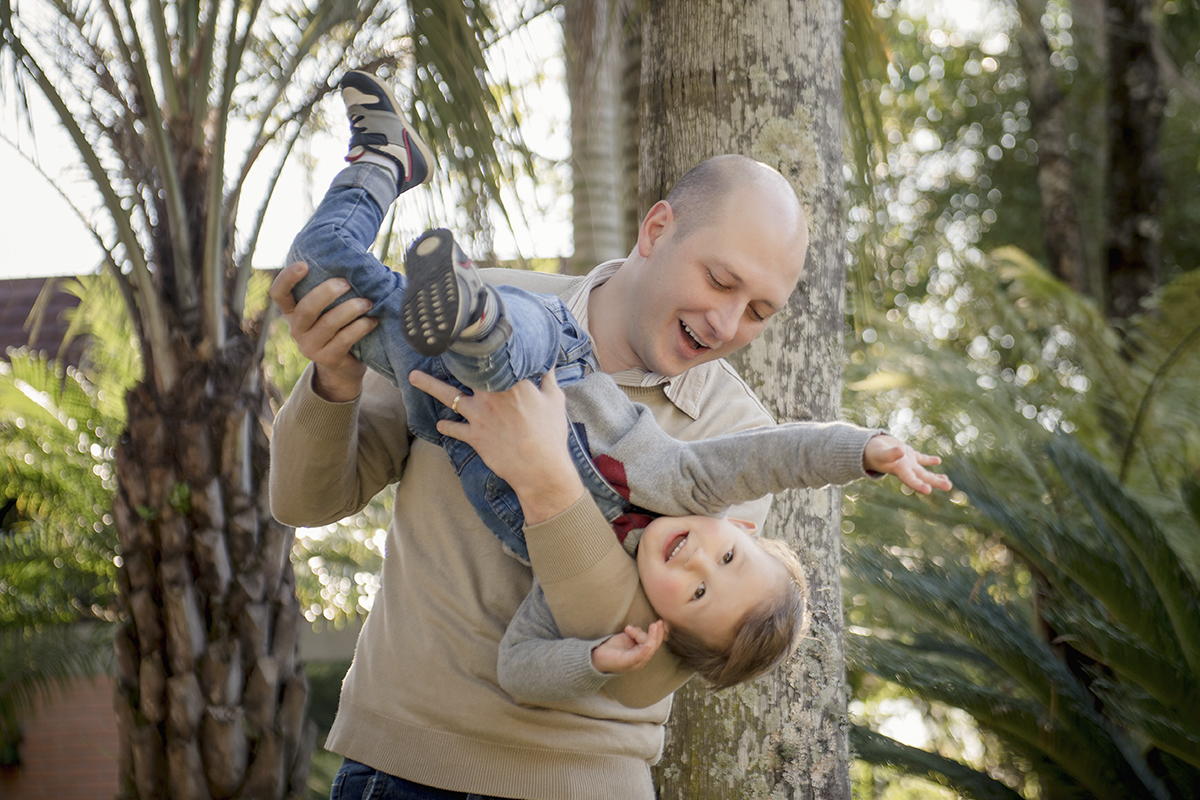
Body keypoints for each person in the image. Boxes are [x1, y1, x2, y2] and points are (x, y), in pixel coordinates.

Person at [268, 67, 937, 799]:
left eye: (758, 311)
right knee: (319, 272)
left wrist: (545, 478)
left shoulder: (733, 432)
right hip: (397, 768)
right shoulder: (470, 302)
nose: (725, 324)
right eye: (720, 281)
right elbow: (303, 503)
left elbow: (652, 663)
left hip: (587, 785)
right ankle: (383, 165)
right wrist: (332, 377)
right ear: (657, 231)